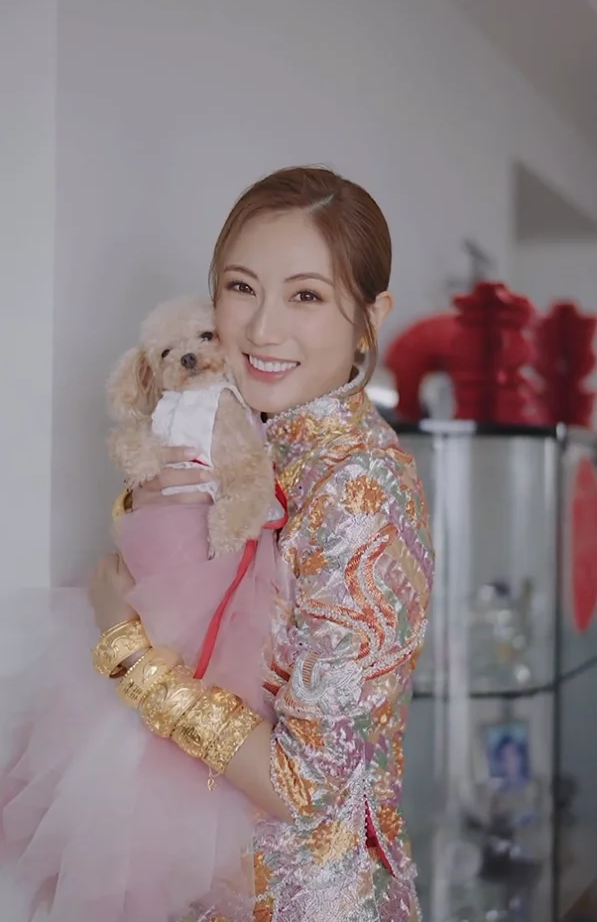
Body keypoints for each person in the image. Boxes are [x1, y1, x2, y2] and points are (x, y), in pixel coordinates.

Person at [89, 165, 435, 922]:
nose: (261, 329)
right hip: (203, 881)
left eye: (306, 295)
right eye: (241, 287)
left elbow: (303, 786)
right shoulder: (244, 435)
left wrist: (127, 653)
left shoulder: (358, 487)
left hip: (303, 900)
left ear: (369, 318)